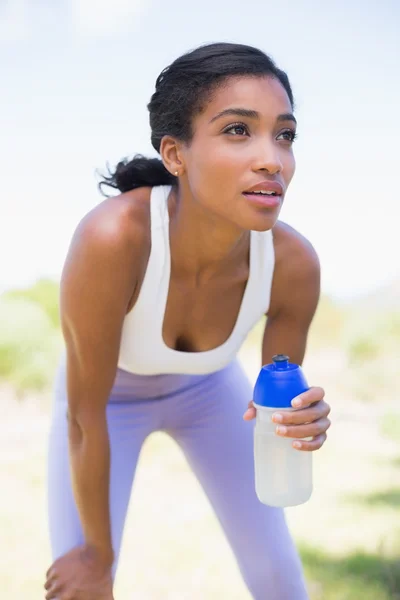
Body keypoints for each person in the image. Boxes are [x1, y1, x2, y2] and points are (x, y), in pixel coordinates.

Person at [44, 42, 331, 600]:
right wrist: (98, 558)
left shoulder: (294, 264)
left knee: (280, 580)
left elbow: (275, 402)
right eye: (238, 131)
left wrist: (299, 421)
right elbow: (83, 415)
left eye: (285, 134)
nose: (273, 157)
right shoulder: (114, 240)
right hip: (104, 402)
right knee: (81, 583)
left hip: (207, 393)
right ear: (175, 154)